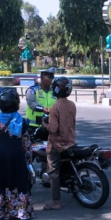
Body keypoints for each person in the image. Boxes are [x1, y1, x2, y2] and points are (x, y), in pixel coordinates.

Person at [0, 87, 35, 220]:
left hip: (0, 156)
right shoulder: (21, 120)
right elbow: (26, 143)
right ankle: (21, 213)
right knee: (19, 182)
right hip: (17, 156)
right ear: (16, 104)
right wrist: (29, 159)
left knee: (1, 182)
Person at [41, 76, 76, 211]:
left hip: (57, 144)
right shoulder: (71, 104)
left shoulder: (55, 107)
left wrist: (45, 124)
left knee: (53, 172)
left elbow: (53, 128)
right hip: (71, 141)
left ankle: (56, 202)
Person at [25, 67, 57, 134]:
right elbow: (31, 103)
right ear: (42, 77)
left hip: (49, 126)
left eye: (52, 77)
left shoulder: (54, 92)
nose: (51, 79)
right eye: (49, 77)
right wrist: (43, 109)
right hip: (33, 126)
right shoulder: (33, 90)